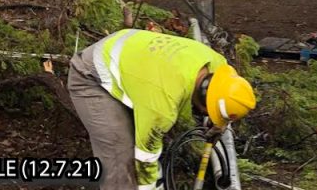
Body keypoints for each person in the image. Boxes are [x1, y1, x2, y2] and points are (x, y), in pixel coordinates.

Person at [67, 29, 257, 189]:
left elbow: (223, 96)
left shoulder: (218, 66)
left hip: (132, 53)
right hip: (91, 76)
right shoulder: (162, 106)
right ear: (205, 102)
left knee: (142, 132)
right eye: (208, 112)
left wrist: (219, 123)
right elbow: (145, 160)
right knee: (120, 158)